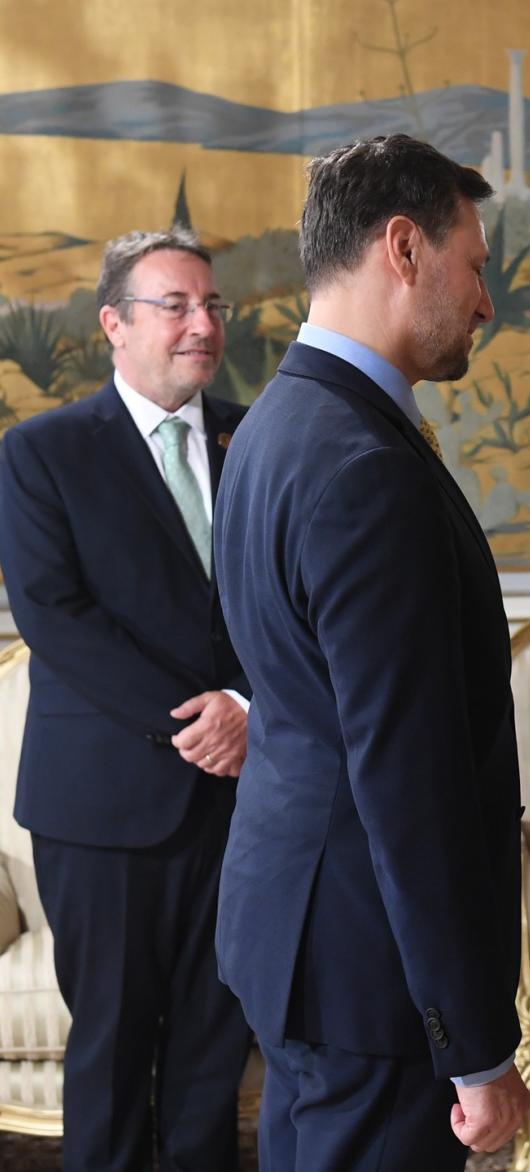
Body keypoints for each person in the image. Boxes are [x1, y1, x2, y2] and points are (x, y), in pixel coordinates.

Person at [211, 134, 528, 1169]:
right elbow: (407, 779)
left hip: (298, 934)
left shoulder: (271, 425)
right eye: (475, 266)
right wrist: (473, 1044)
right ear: (404, 247)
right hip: (371, 974)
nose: (485, 302)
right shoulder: (361, 464)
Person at [0, 228, 253, 1170]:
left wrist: (246, 705)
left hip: (240, 798)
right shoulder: (43, 452)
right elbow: (56, 618)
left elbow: (292, 599)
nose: (203, 324)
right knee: (109, 1048)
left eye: (212, 305)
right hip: (101, 808)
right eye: (177, 305)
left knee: (210, 1047)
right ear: (115, 323)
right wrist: (200, 719)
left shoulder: (254, 435)